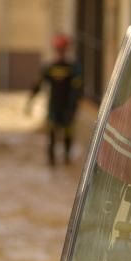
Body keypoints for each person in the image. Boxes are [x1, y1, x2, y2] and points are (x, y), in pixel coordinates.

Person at [26, 34, 83, 166]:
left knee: (68, 133)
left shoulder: (73, 68)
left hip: (68, 107)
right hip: (54, 106)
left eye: (62, 50)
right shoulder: (49, 67)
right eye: (59, 50)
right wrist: (30, 101)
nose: (60, 53)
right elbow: (38, 85)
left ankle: (67, 159)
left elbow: (78, 89)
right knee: (51, 134)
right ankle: (52, 161)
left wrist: (74, 106)